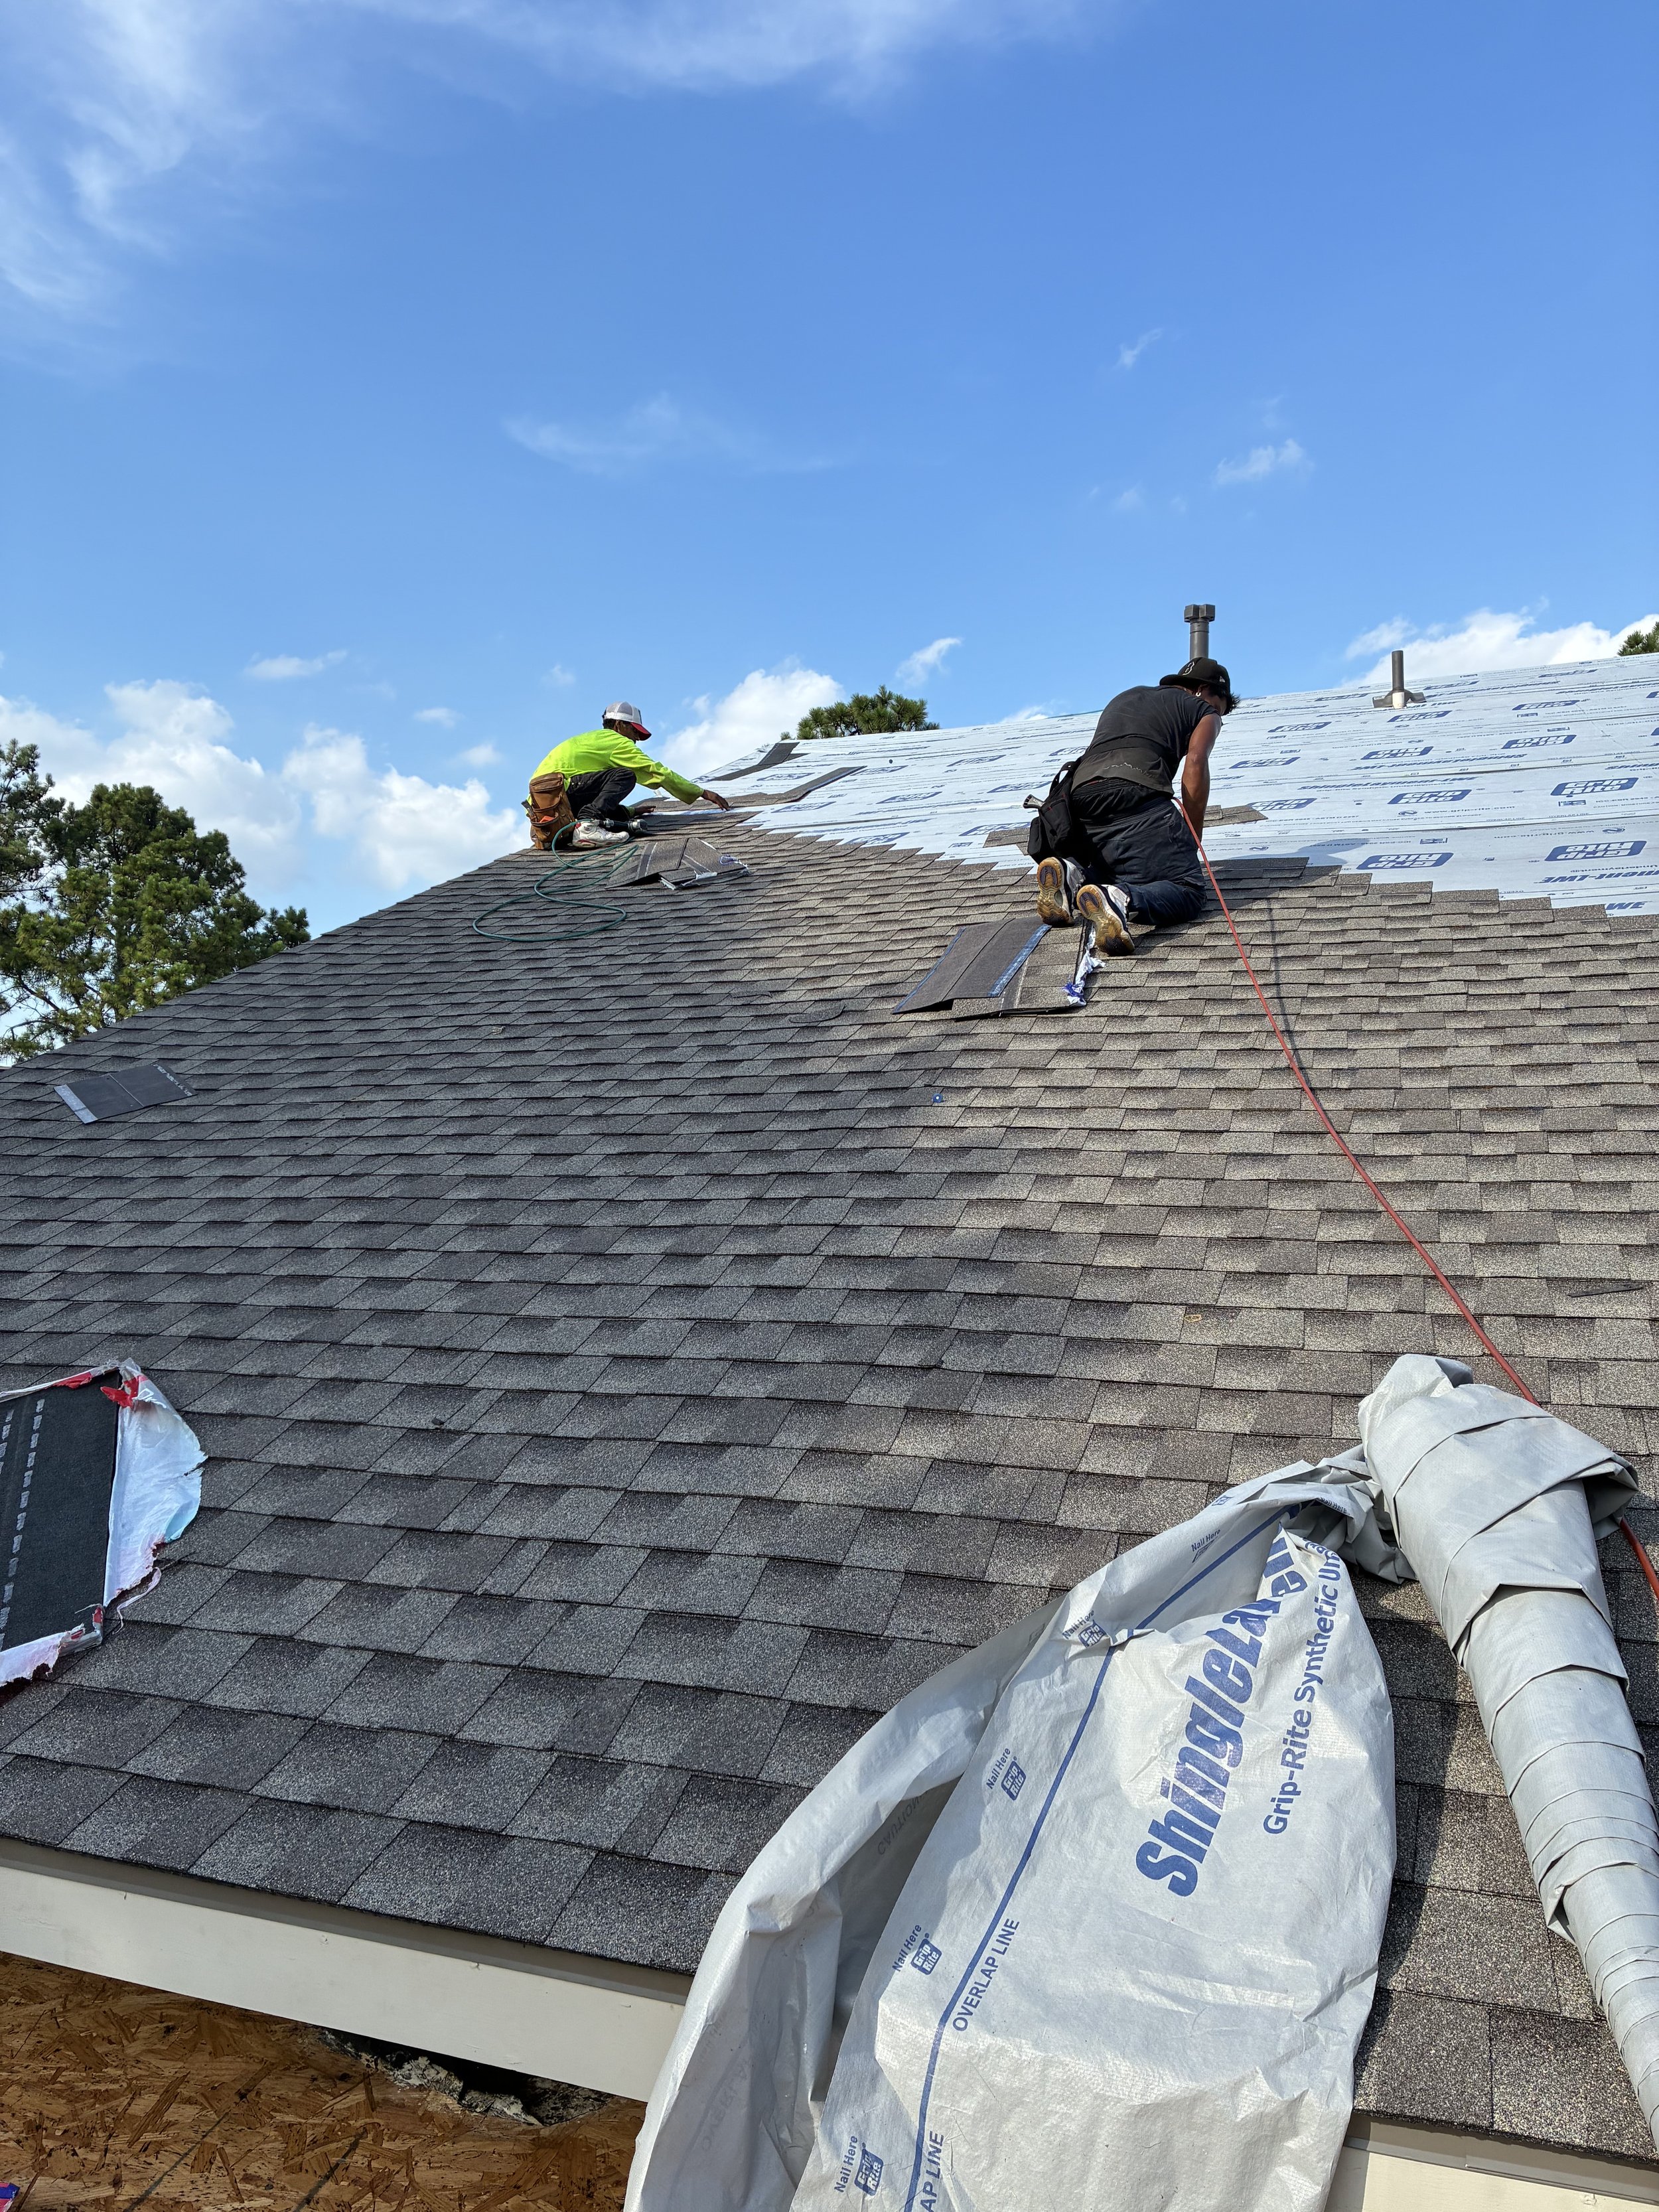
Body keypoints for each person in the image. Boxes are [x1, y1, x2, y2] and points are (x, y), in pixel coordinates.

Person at [1035, 656, 1236, 954]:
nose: (1217, 714)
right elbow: (1195, 761)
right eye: (1219, 707)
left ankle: (1070, 876)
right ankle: (1121, 899)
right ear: (1205, 690)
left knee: (1126, 867)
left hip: (1080, 800)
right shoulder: (1203, 710)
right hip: (1137, 793)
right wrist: (1191, 836)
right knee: (1189, 889)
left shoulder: (1125, 697)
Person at [526, 702, 732, 851]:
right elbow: (654, 770)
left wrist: (629, 811)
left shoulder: (592, 739)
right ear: (619, 726)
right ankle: (587, 826)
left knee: (614, 812)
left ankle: (587, 824)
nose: (636, 740)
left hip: (548, 804)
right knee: (626, 776)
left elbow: (591, 791)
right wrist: (701, 792)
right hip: (560, 793)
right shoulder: (615, 740)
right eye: (634, 732)